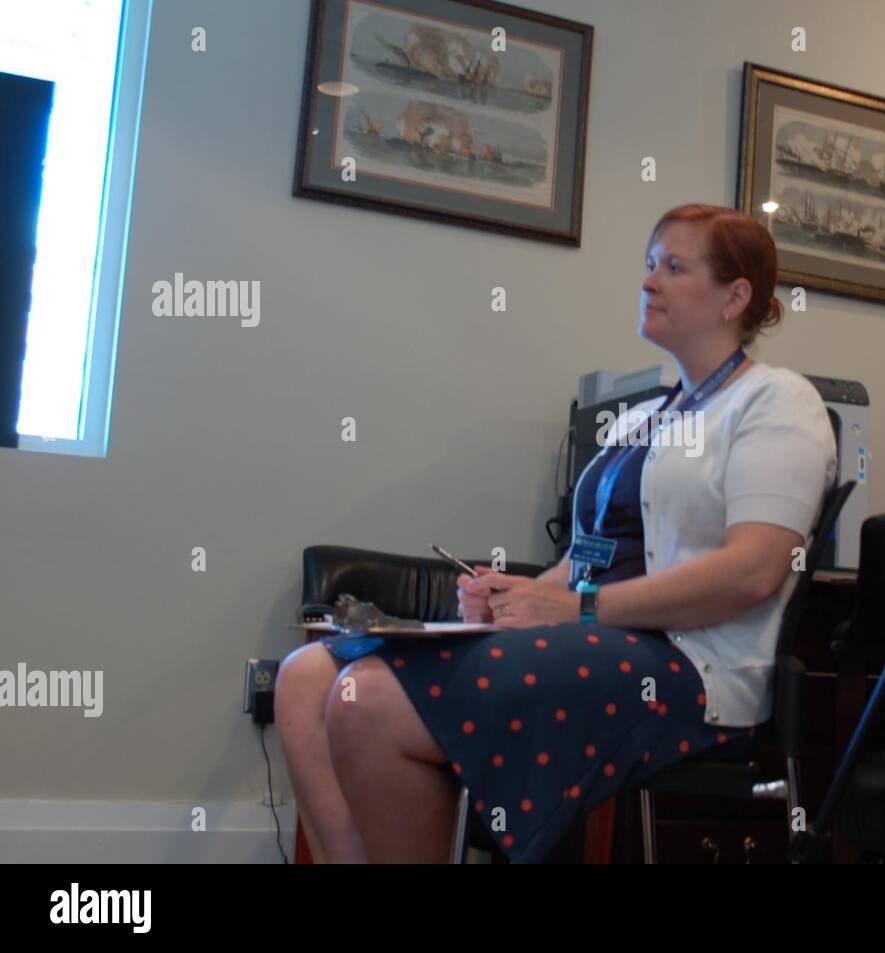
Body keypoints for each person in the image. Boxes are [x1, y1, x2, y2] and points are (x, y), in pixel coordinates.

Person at [274, 204, 838, 862]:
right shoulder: (645, 418)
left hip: (689, 669)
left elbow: (754, 570)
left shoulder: (777, 402)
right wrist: (516, 593)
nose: (649, 281)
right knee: (304, 678)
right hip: (595, 633)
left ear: (734, 297)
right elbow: (586, 562)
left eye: (674, 267)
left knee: (364, 698)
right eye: (649, 264)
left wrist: (578, 607)